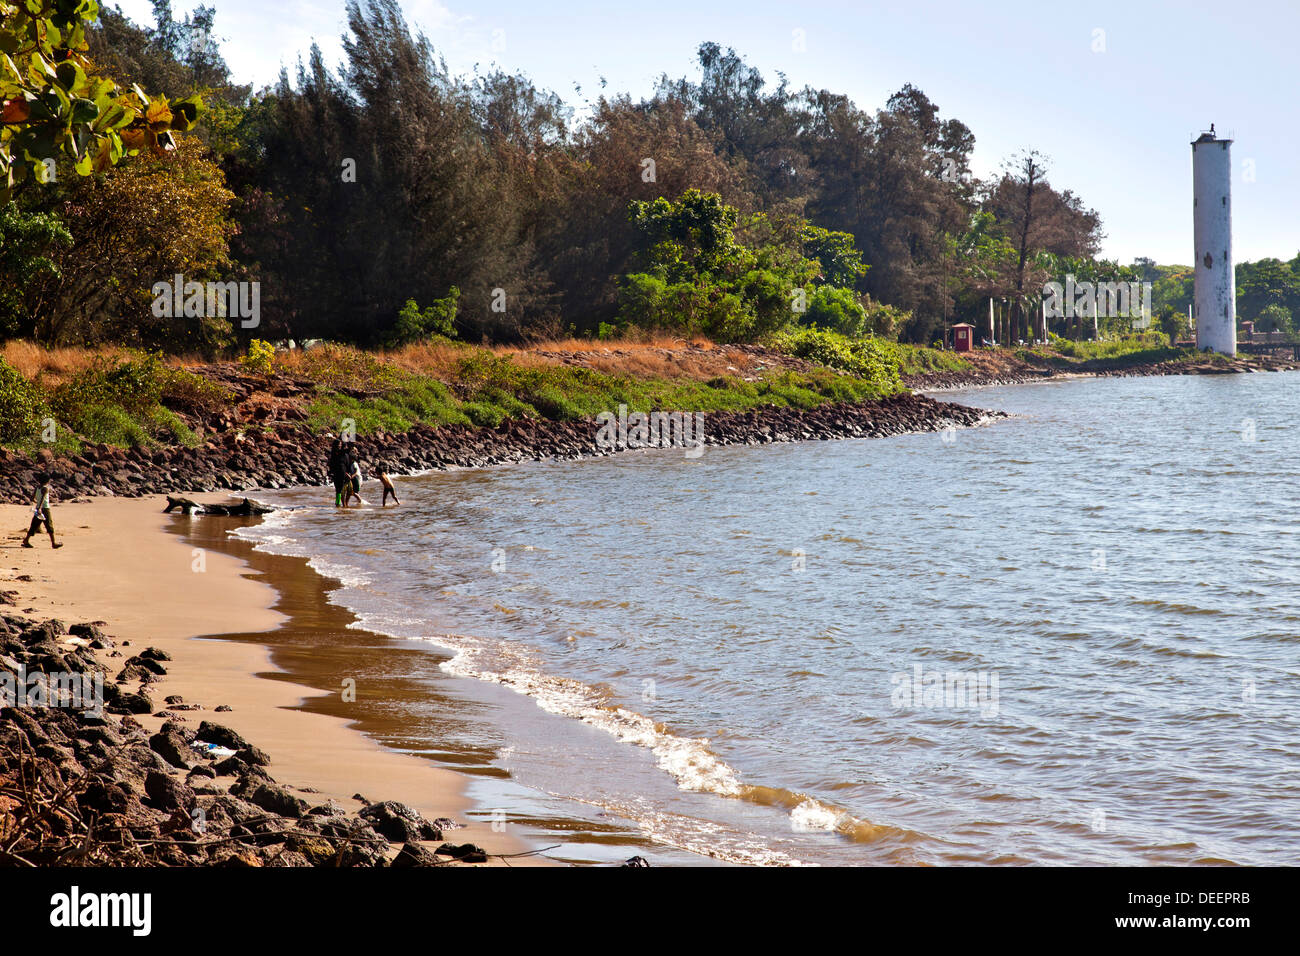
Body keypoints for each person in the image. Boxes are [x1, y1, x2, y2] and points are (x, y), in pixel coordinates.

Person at [22, 474, 62, 549]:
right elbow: (43, 499)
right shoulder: (45, 488)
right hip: (44, 509)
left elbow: (32, 498)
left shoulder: (37, 488)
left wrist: (38, 506)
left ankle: (26, 540)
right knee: (49, 525)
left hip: (38, 508)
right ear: (47, 481)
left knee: (34, 525)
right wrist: (40, 507)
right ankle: (53, 543)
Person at [328, 438, 348, 507]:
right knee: (339, 489)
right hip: (339, 473)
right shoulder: (337, 453)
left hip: (339, 473)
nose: (339, 446)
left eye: (340, 445)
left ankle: (338, 503)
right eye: (339, 445)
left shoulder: (335, 452)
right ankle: (339, 503)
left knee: (339, 489)